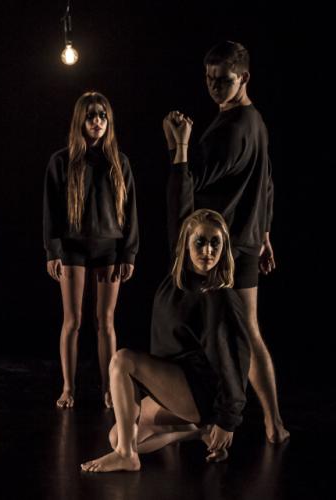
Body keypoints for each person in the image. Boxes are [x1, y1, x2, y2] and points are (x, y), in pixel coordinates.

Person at [81, 113, 251, 473]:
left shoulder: (218, 295)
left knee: (122, 360)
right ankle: (191, 432)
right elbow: (179, 209)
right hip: (175, 384)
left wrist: (228, 420)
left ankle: (130, 457)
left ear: (224, 250)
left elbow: (237, 360)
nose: (207, 250)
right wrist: (180, 149)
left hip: (200, 390)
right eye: (200, 242)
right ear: (186, 246)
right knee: (118, 434)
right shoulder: (180, 276)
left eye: (215, 245)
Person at [165, 41, 288, 442]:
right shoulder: (256, 121)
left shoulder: (233, 129)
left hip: (223, 249)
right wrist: (265, 236)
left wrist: (179, 147)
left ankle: (227, 422)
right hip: (246, 243)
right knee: (243, 332)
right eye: (209, 78)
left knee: (227, 335)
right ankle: (269, 422)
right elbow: (265, 184)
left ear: (244, 78)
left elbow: (192, 183)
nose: (214, 87)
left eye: (223, 80)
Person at [43, 91, 138, 409]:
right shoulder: (61, 161)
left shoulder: (119, 161)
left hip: (109, 249)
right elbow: (51, 209)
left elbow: (131, 212)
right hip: (72, 249)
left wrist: (129, 253)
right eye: (91, 116)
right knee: (72, 320)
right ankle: (68, 388)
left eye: (102, 115)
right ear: (80, 120)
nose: (97, 121)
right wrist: (52, 250)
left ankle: (109, 389)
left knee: (106, 322)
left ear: (108, 121)